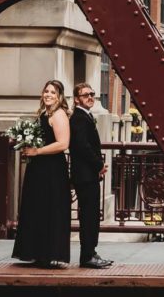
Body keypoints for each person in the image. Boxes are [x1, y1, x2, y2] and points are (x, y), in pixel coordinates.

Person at [11, 80, 72, 268]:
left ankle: (49, 254)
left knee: (50, 208)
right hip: (40, 168)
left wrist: (37, 151)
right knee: (38, 208)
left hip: (52, 169)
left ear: (59, 96)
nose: (48, 95)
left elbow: (63, 144)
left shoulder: (59, 115)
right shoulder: (44, 113)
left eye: (53, 92)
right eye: (46, 91)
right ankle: (37, 252)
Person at [70, 83, 112, 269]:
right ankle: (87, 256)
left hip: (87, 174)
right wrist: (99, 165)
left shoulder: (85, 116)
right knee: (89, 216)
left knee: (91, 215)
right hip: (85, 175)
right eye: (85, 94)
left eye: (92, 94)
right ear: (77, 98)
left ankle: (91, 253)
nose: (90, 97)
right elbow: (82, 146)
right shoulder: (79, 118)